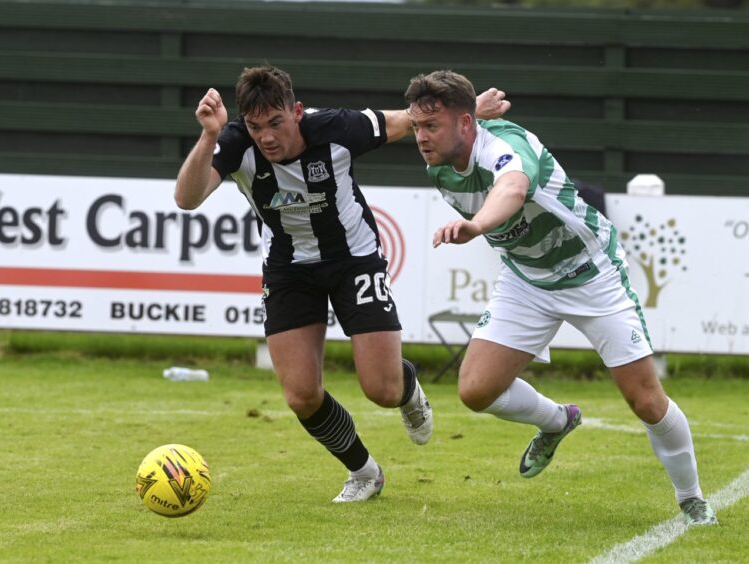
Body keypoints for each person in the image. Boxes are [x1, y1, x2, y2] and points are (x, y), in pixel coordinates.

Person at [175, 65, 509, 503]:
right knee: (301, 395)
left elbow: (400, 122)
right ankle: (363, 471)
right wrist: (208, 137)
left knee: (382, 389)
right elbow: (187, 198)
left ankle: (408, 389)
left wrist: (467, 111)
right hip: (288, 269)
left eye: (276, 123)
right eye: (256, 127)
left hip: (354, 259)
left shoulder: (333, 126)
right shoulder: (235, 143)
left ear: (296, 112)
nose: (267, 137)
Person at [403, 69, 717, 526]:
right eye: (416, 127)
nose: (421, 138)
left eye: (431, 126)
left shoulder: (507, 148)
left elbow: (512, 188)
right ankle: (556, 421)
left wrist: (477, 226)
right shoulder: (439, 168)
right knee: (475, 390)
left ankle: (691, 498)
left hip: (592, 273)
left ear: (467, 123)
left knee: (646, 401)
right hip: (527, 279)